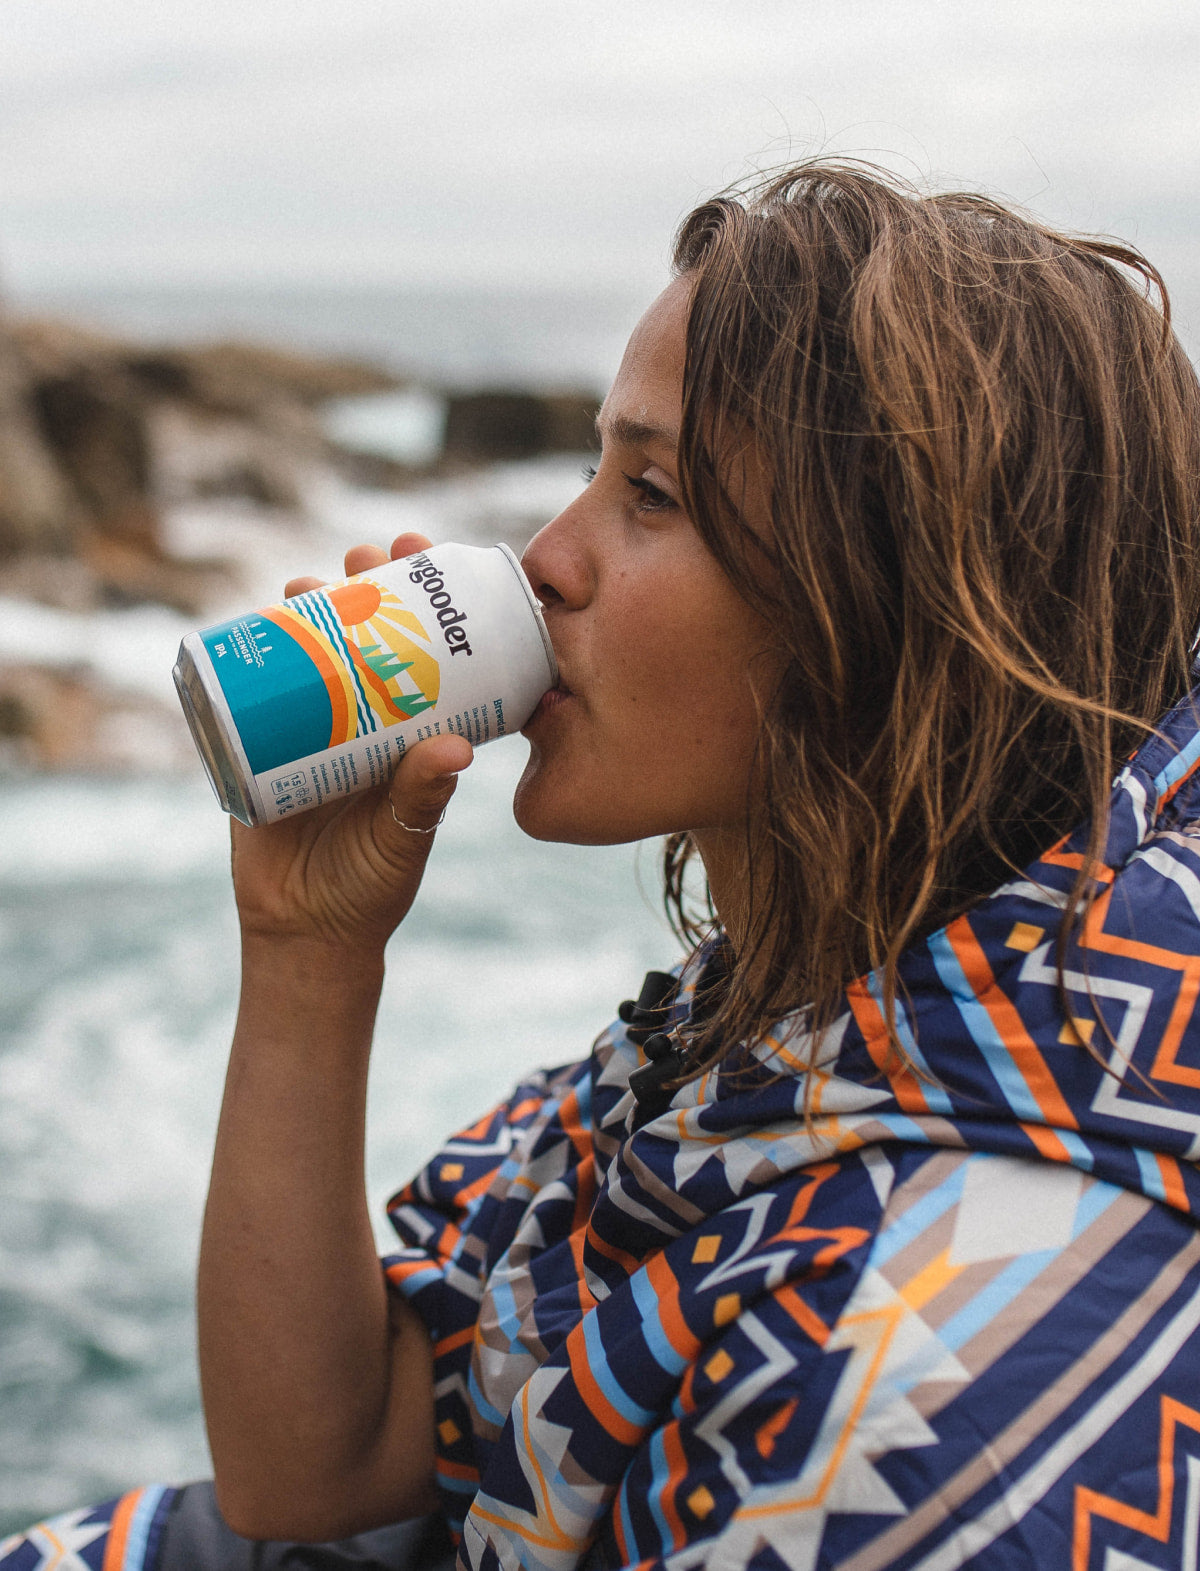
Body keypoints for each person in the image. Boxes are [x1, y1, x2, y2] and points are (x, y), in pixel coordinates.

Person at [6, 158, 1200, 1571]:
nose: (545, 558)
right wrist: (308, 955)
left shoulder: (924, 1393)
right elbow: (319, 1471)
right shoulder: (823, 1009)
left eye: (651, 494)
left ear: (898, 604)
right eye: (591, 466)